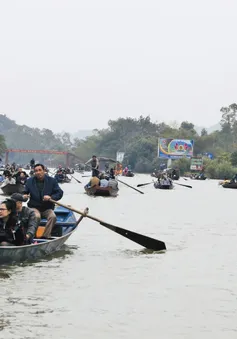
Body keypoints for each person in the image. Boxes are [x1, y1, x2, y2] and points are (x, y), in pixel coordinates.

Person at [23, 163, 63, 239]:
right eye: (36, 171)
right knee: (36, 216)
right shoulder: (29, 181)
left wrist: (51, 197)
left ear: (44, 170)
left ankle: (45, 236)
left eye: (40, 170)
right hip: (34, 207)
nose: (38, 172)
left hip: (47, 208)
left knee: (53, 216)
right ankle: (32, 236)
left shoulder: (52, 181)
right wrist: (25, 196)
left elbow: (59, 193)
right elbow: (25, 192)